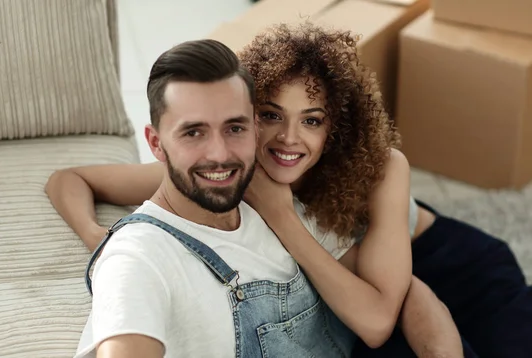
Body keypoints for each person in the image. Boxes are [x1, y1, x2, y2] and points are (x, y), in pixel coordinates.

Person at [47, 25, 482, 357]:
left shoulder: (370, 170)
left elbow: (398, 303)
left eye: (312, 120)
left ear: (335, 130)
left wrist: (281, 215)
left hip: (436, 247)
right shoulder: (213, 185)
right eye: (272, 115)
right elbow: (70, 183)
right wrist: (97, 238)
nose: (289, 138)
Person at [68, 38, 362, 358]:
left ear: (254, 129)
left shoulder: (276, 203)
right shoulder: (138, 256)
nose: (219, 154)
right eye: (193, 132)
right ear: (156, 143)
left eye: (234, 128)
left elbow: (378, 299)